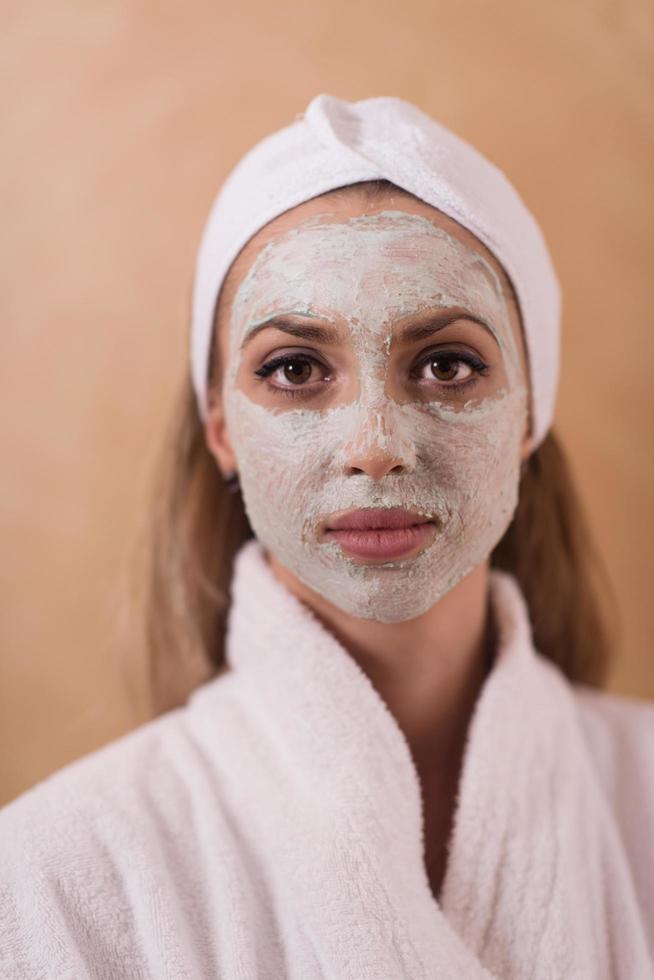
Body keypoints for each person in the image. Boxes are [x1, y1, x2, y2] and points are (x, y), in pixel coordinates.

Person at [1, 95, 652, 980]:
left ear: (532, 410)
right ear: (221, 426)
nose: (375, 447)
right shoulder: (49, 880)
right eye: (295, 370)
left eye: (447, 364)